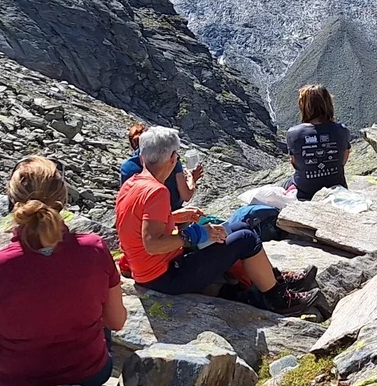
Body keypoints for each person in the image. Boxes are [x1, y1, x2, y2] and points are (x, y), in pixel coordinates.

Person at [0, 156, 126, 386]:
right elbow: (117, 321)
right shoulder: (95, 248)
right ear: (63, 198)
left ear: (13, 203)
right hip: (89, 373)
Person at [117, 126, 319, 312]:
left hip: (150, 270)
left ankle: (275, 279)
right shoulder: (156, 191)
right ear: (172, 158)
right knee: (246, 239)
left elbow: (139, 221)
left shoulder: (133, 183)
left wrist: (174, 216)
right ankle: (279, 299)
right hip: (164, 277)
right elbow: (152, 244)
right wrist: (193, 235)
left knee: (238, 226)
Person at [286, 85, 351, 201]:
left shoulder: (294, 133)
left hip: (304, 192)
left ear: (303, 106)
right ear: (329, 104)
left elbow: (295, 163)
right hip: (337, 188)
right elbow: (343, 160)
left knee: (285, 184)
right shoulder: (342, 130)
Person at [120, 122, 200, 209]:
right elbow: (186, 196)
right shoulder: (170, 160)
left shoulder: (126, 166)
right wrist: (193, 179)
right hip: (171, 211)